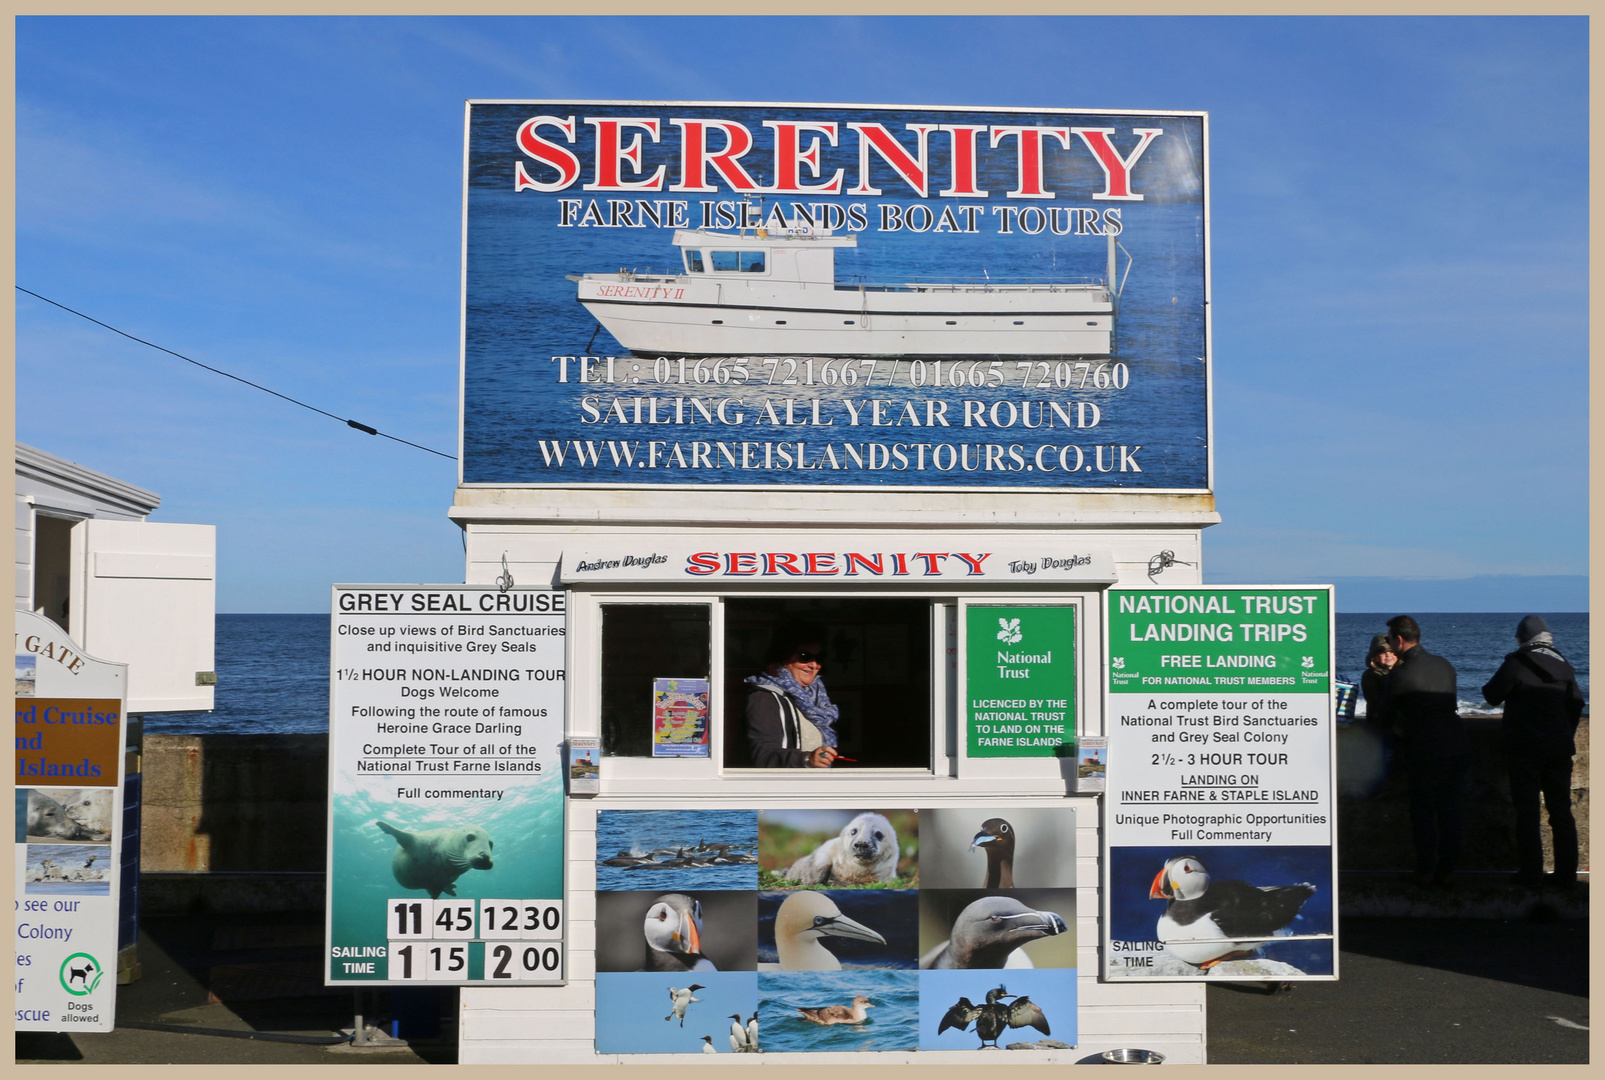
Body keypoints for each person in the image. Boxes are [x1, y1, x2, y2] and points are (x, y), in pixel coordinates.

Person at [1481, 615, 1586, 889]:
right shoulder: (1564, 664)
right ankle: (1566, 875)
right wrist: (1564, 733)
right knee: (1561, 811)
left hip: (1525, 748)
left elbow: (1491, 695)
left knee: (1527, 812)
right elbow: (1576, 704)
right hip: (1558, 749)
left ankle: (1530, 873)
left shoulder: (1516, 662)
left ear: (1521, 637)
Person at [1383, 614, 1469, 886]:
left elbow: (1384, 716)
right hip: (1456, 744)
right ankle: (1447, 871)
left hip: (1424, 749)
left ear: (1398, 640)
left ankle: (1425, 870)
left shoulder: (1401, 673)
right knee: (1450, 811)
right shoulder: (1444, 665)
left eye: (1388, 639)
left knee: (1423, 813)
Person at [744, 623, 840, 768]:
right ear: (783, 657)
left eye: (819, 657)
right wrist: (806, 759)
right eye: (804, 657)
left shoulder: (816, 698)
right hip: (785, 788)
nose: (813, 665)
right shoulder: (764, 698)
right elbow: (763, 755)